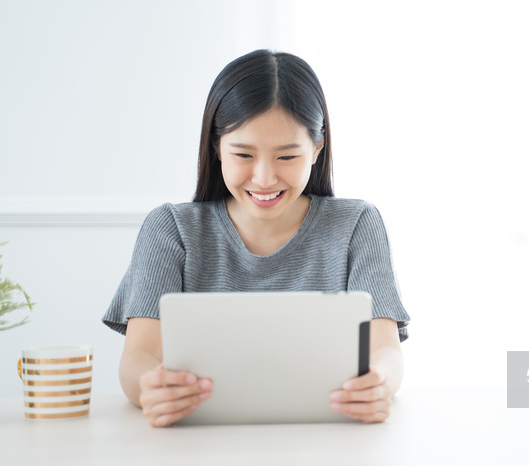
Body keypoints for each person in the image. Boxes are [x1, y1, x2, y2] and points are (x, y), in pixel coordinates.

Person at [102, 49, 410, 427]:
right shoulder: (171, 228)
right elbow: (137, 359)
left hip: (329, 442)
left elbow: (385, 350)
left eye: (287, 157)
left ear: (317, 148)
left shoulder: (357, 224)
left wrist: (381, 382)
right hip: (196, 442)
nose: (264, 178)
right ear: (217, 147)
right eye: (244, 154)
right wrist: (149, 386)